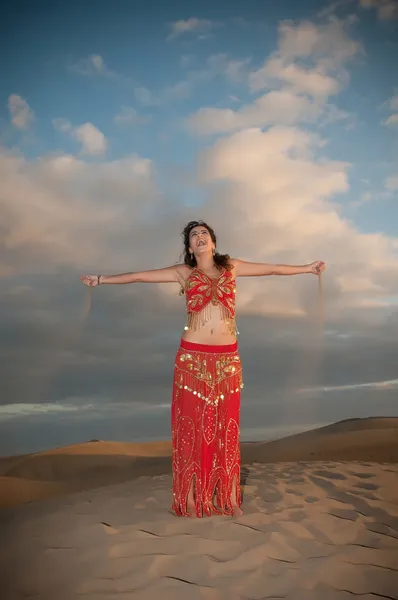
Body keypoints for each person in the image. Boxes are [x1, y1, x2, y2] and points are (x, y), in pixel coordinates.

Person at [80, 220, 325, 518]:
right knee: (191, 429)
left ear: (213, 242)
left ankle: (228, 498)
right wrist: (101, 279)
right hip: (192, 359)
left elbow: (272, 268)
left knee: (226, 428)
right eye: (194, 235)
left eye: (203, 233)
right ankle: (192, 497)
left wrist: (307, 268)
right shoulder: (183, 273)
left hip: (227, 359)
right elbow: (139, 276)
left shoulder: (231, 268)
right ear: (189, 247)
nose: (199, 237)